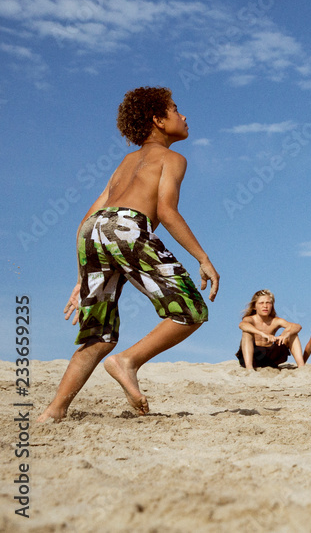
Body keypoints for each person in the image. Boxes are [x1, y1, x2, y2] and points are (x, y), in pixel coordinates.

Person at [38, 87, 220, 422]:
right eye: (176, 110)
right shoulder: (173, 158)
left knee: (100, 334)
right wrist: (202, 258)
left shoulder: (126, 162)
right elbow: (166, 211)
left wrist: (82, 275)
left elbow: (89, 218)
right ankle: (128, 361)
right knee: (191, 310)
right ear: (158, 120)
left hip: (94, 231)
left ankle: (54, 410)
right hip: (127, 228)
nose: (184, 116)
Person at [236, 289, 305, 370]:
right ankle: (249, 368)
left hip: (270, 357)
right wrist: (262, 334)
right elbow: (242, 325)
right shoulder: (250, 319)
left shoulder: (276, 321)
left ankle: (301, 367)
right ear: (254, 306)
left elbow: (297, 326)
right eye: (261, 303)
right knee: (246, 333)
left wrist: (285, 334)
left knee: (292, 333)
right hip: (254, 357)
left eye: (268, 303)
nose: (265, 306)